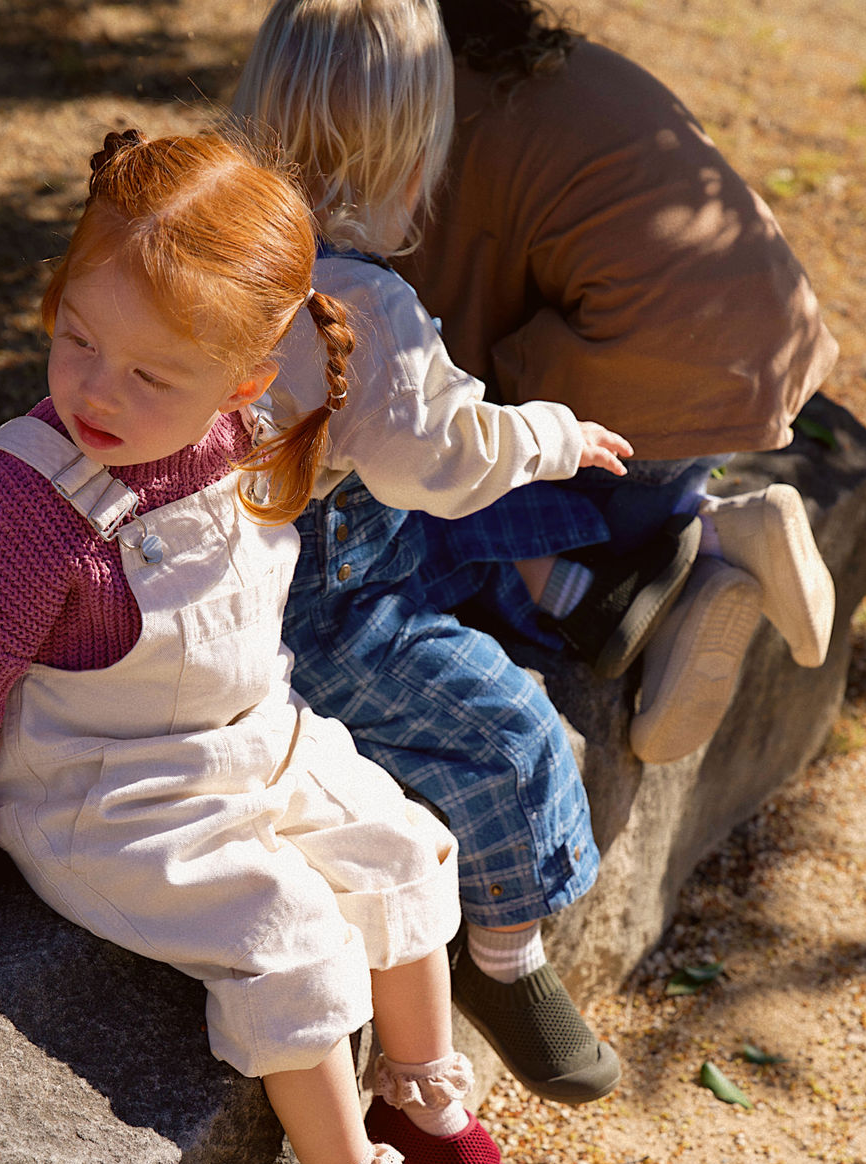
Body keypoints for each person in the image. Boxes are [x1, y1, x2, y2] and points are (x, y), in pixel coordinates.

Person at [0, 128, 558, 1164]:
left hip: (256, 737)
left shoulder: (231, 445)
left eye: (151, 374)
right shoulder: (23, 511)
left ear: (244, 379)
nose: (97, 392)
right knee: (292, 938)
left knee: (407, 847)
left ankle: (421, 1103)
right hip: (110, 793)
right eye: (75, 340)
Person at [230, 0, 638, 1108]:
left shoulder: (212, 241)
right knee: (514, 729)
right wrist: (551, 434)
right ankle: (504, 962)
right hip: (311, 617)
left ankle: (578, 589)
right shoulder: (364, 305)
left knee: (442, 526)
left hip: (271, 558)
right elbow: (440, 458)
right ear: (410, 162)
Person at [400, 0, 841, 764]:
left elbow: (446, 333)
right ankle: (712, 524)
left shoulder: (443, 120)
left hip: (647, 406)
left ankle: (663, 574)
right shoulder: (577, 69)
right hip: (764, 358)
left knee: (439, 510)